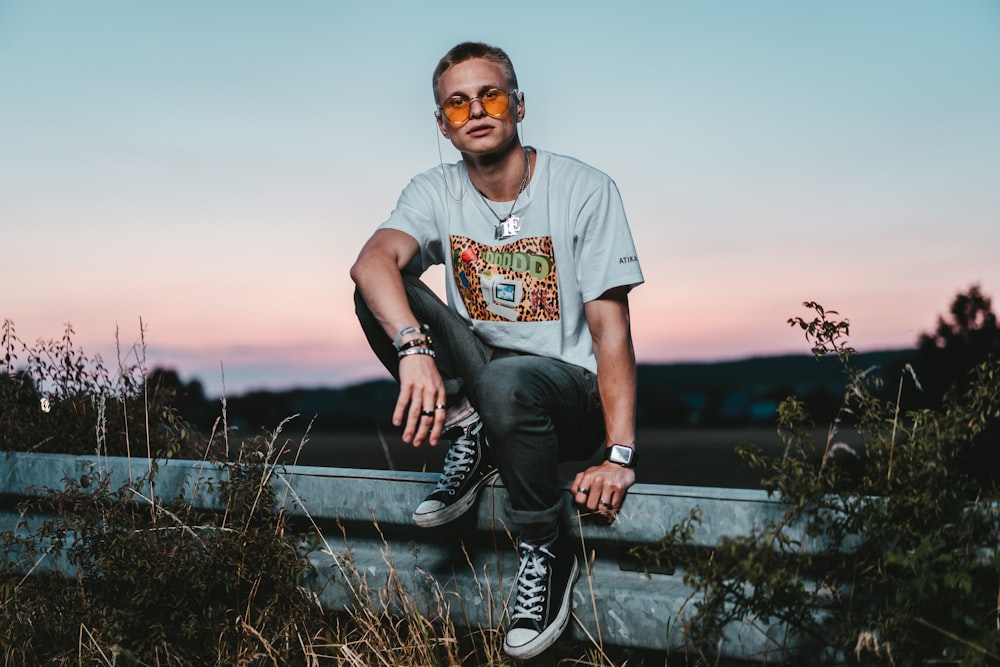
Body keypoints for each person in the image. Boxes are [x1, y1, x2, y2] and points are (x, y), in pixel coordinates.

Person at [349, 41, 643, 660]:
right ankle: (474, 428)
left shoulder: (584, 189)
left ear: (519, 104)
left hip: (568, 396)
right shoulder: (435, 191)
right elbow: (372, 262)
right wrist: (413, 349)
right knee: (379, 290)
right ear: (443, 126)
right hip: (484, 378)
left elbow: (611, 330)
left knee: (510, 382)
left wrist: (618, 454)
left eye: (490, 95)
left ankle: (545, 546)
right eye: (457, 104)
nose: (476, 111)